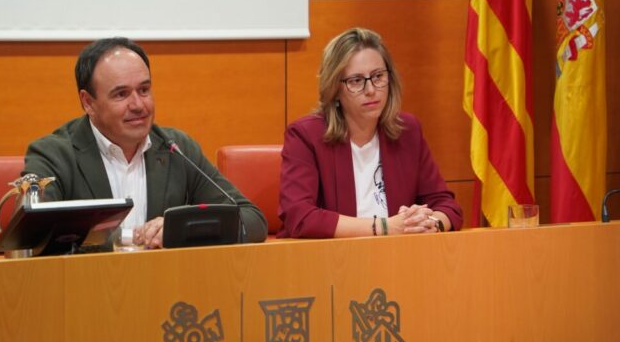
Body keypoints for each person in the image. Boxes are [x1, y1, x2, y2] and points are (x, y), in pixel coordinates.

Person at [23, 38, 268, 248]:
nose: (138, 105)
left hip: (165, 284)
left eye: (144, 90)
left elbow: (252, 220)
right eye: (121, 94)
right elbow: (32, 236)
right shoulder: (54, 155)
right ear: (88, 102)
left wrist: (181, 229)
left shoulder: (176, 148)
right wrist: (132, 237)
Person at [278, 28, 462, 238]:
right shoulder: (305, 135)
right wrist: (385, 227)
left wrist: (430, 223)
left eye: (378, 76)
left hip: (396, 254)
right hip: (332, 256)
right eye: (356, 80)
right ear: (334, 89)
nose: (371, 90)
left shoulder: (407, 131)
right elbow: (300, 217)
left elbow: (446, 205)